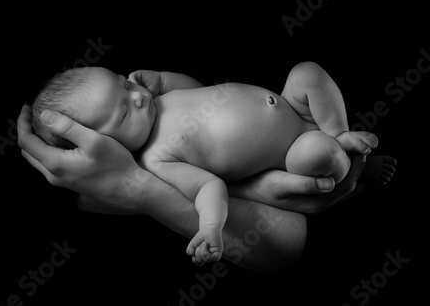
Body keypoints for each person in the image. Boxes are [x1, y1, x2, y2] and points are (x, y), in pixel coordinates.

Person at [28, 62, 395, 264]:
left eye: (123, 83)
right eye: (124, 112)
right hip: (292, 151)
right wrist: (211, 226)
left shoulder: (156, 97)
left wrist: (166, 79)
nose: (138, 96)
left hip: (290, 103)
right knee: (321, 154)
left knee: (307, 73)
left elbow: (198, 88)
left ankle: (341, 133)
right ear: (104, 146)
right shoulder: (157, 160)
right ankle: (357, 168)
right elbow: (207, 186)